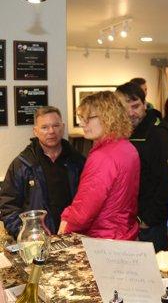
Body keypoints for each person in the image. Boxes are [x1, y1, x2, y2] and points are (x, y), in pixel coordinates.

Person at [58, 91, 140, 239]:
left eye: (88, 118)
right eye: (81, 118)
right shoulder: (127, 147)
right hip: (125, 233)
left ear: (108, 117)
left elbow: (84, 211)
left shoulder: (102, 156)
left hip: (104, 239)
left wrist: (66, 224)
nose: (82, 123)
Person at [0, 107, 85, 238]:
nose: (51, 131)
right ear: (35, 131)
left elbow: (87, 200)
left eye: (56, 126)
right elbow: (8, 206)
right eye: (44, 127)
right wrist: (26, 233)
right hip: (38, 241)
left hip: (73, 236)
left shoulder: (78, 161)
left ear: (62, 127)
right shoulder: (22, 164)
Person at [116, 82, 168, 251]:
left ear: (144, 105)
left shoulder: (158, 133)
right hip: (128, 221)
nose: (130, 113)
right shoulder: (124, 132)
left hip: (150, 225)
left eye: (135, 106)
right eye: (123, 107)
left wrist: (148, 219)